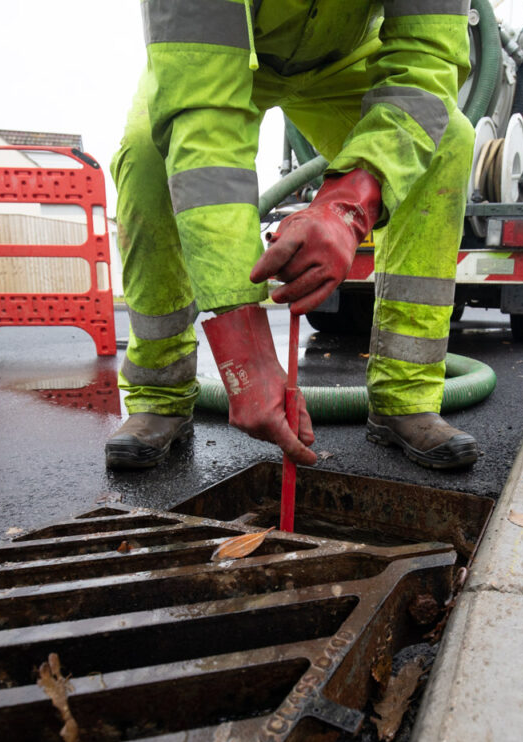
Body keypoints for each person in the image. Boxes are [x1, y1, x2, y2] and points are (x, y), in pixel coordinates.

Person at [105, 0, 480, 472]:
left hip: (348, 57)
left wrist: (349, 205)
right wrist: (247, 354)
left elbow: (427, 60)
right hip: (223, 59)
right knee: (147, 155)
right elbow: (202, 120)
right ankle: (160, 396)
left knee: (447, 141)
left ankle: (405, 398)